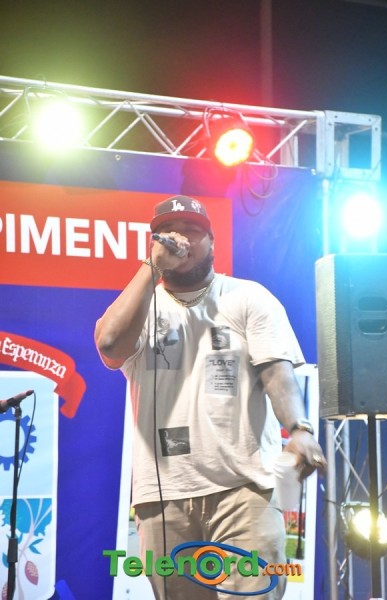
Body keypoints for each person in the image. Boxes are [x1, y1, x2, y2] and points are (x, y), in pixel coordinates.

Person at [95, 195, 327, 600]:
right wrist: (152, 268)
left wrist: (300, 428)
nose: (181, 240)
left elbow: (277, 372)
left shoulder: (248, 297)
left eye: (192, 231)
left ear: (213, 242)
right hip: (163, 497)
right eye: (169, 233)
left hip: (244, 491)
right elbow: (110, 346)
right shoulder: (140, 308)